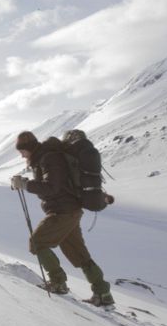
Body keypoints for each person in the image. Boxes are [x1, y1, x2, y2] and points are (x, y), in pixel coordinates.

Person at [11, 131, 114, 306]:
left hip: (62, 212)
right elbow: (56, 184)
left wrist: (26, 185)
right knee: (79, 254)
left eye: (22, 151)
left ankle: (58, 283)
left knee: (37, 242)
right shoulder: (46, 157)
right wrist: (27, 182)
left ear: (28, 148)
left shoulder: (49, 158)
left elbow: (53, 188)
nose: (21, 156)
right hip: (69, 211)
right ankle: (103, 293)